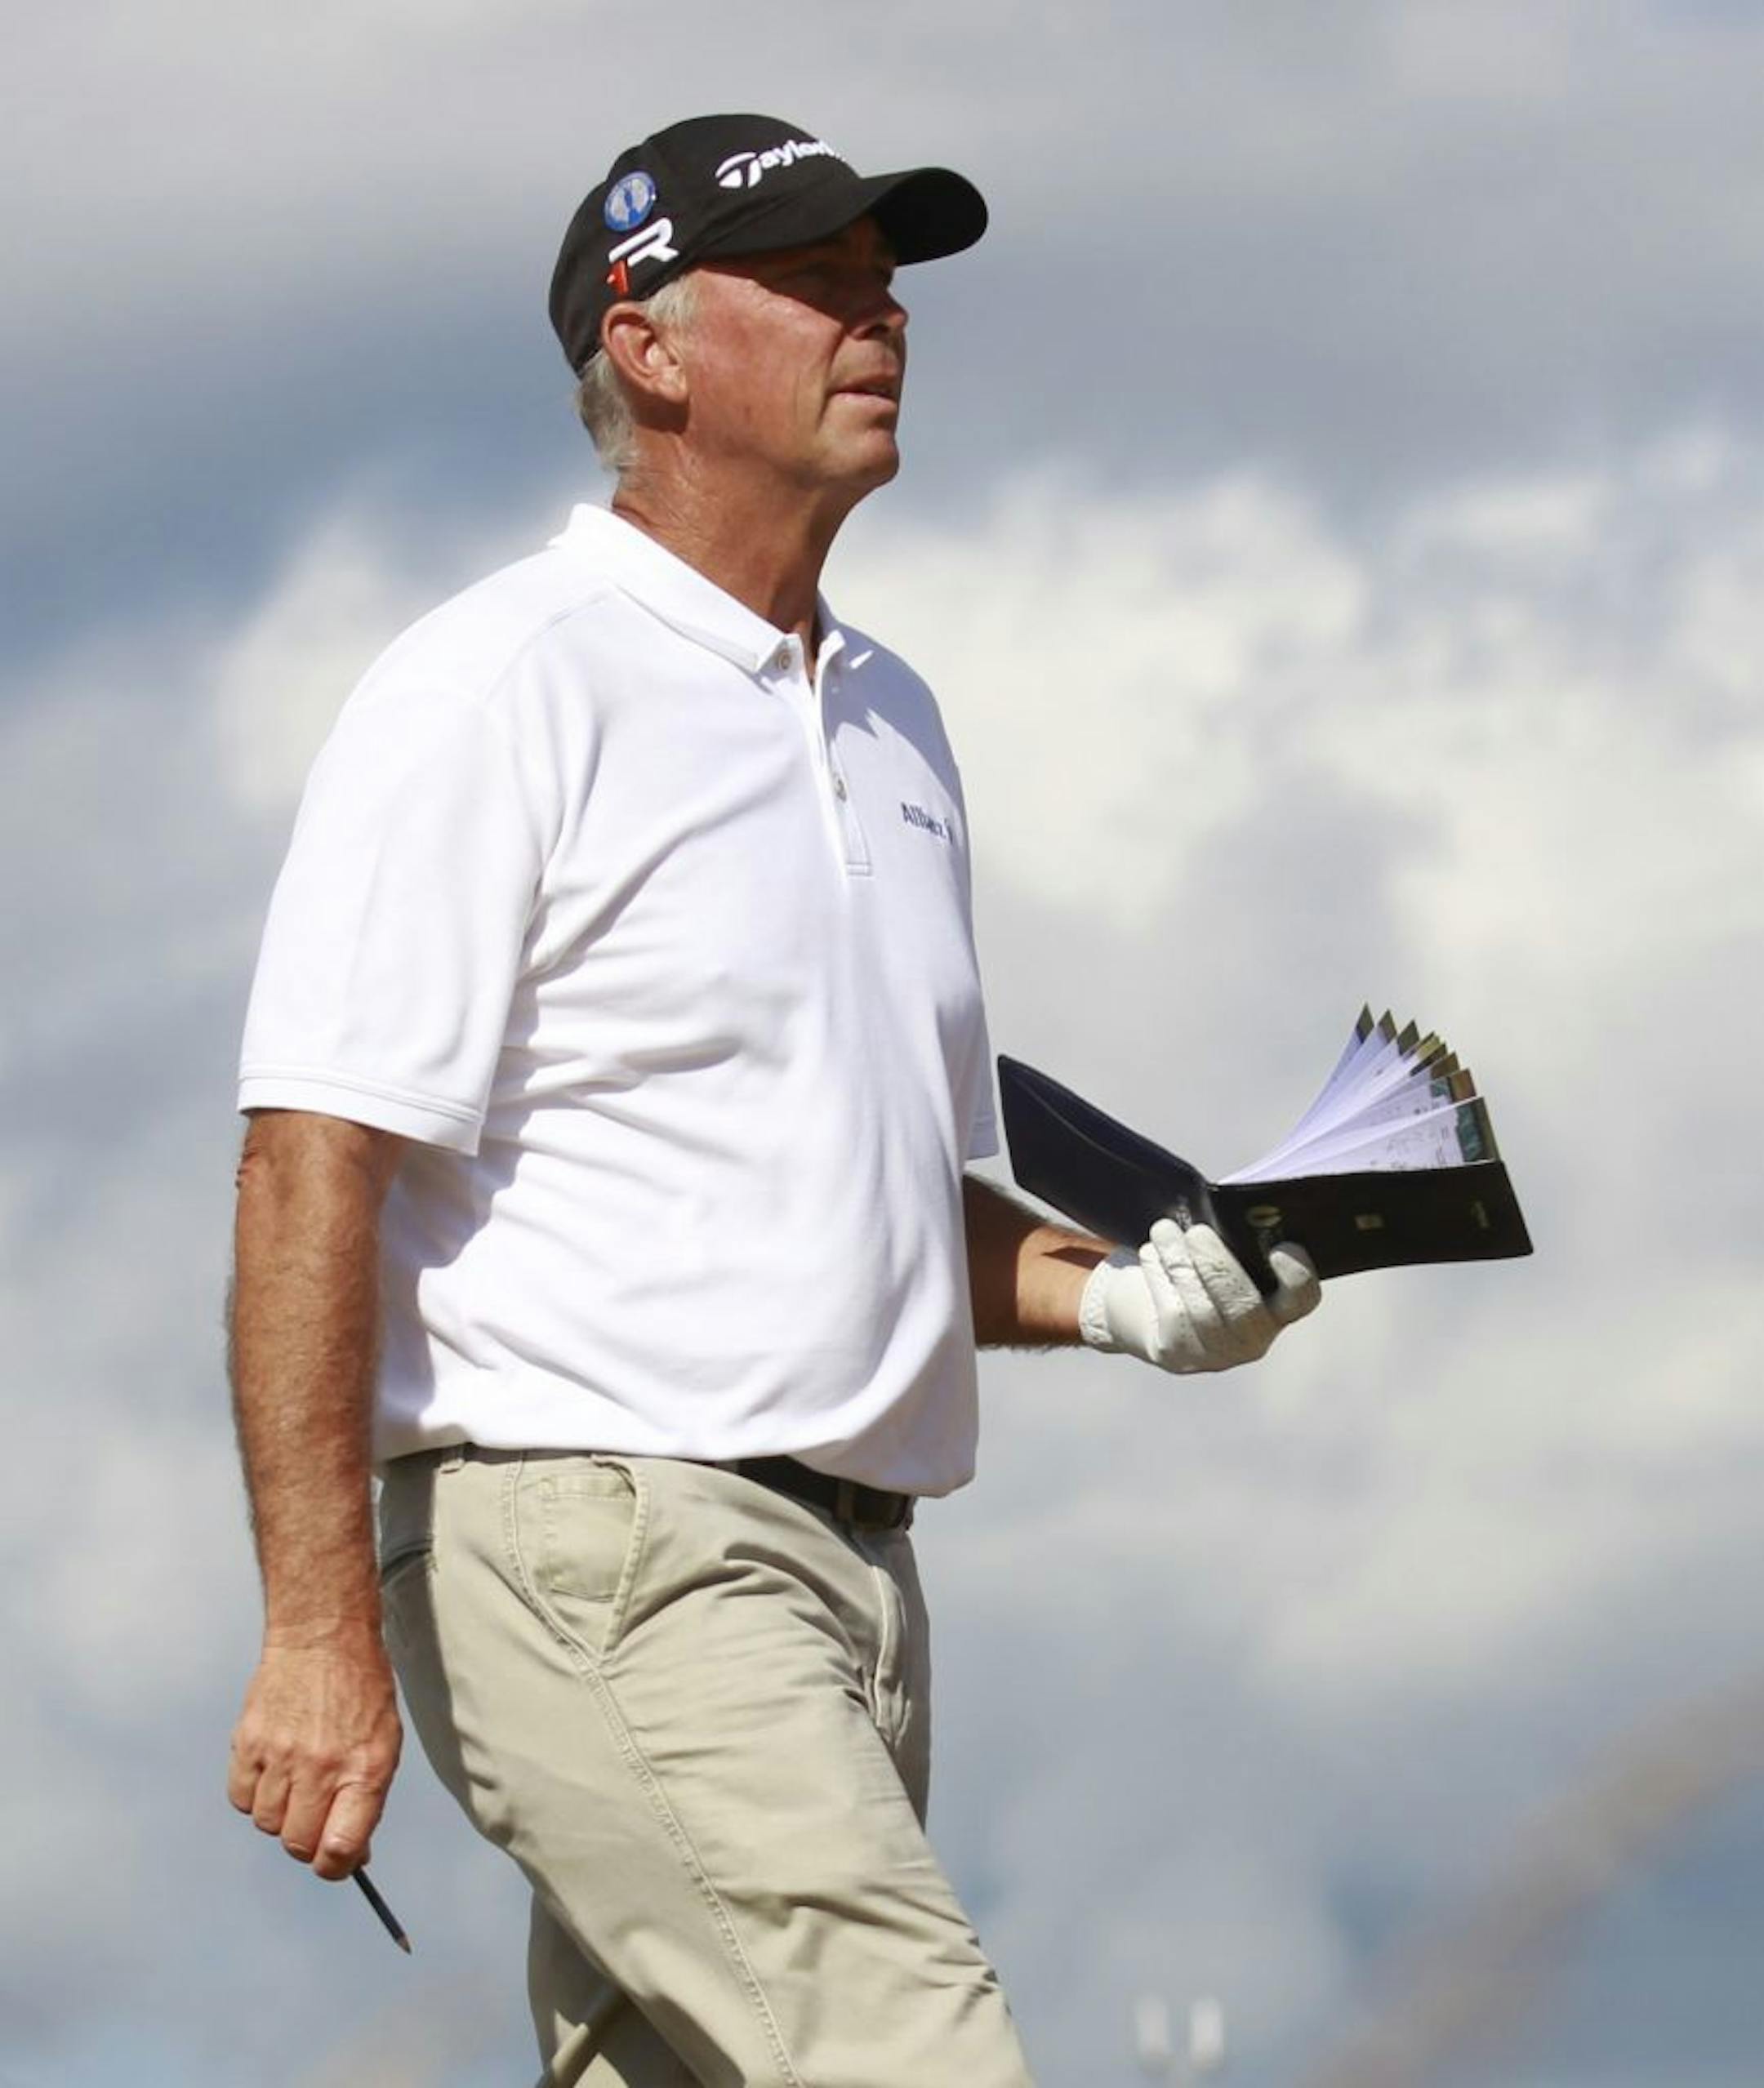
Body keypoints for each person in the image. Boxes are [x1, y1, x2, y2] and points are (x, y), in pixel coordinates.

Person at [225, 114, 1320, 2088]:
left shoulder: (895, 717)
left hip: (858, 1586)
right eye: (815, 280)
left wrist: (1129, 1296)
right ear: (645, 346)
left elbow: (887, 1188)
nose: (879, 316)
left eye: (883, 282)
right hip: (605, 1549)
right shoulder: (501, 685)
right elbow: (312, 1159)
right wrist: (316, 1632)